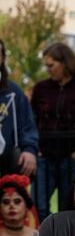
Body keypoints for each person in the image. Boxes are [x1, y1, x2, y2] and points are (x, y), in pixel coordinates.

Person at [30, 43, 75, 222]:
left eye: (51, 65)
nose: (48, 70)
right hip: (44, 156)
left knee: (67, 206)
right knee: (38, 204)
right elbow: (33, 120)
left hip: (71, 158)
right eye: (46, 65)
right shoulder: (41, 89)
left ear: (65, 63)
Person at [0, 41, 39, 178]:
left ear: (3, 58)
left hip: (6, 164)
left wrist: (29, 150)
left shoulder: (14, 93)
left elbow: (27, 126)